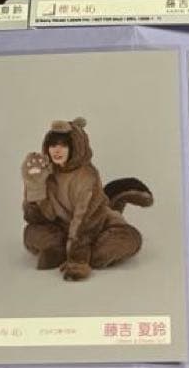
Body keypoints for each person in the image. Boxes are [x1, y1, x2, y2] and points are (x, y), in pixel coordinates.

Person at [20, 117, 153, 281]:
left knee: (128, 240)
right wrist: (35, 187)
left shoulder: (86, 176)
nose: (57, 150)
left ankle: (77, 253)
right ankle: (61, 250)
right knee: (31, 233)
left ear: (74, 147)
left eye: (63, 145)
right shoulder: (45, 172)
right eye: (53, 145)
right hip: (63, 228)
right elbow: (37, 219)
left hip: (97, 227)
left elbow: (86, 221)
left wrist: (78, 260)